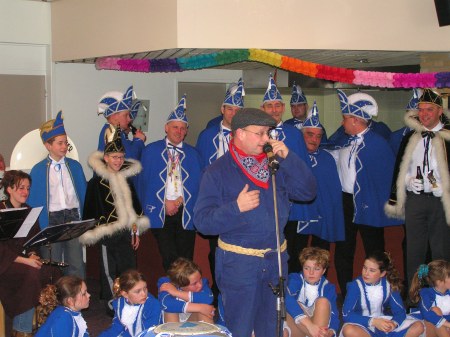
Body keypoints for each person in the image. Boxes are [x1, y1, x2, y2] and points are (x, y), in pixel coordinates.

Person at [194, 108, 317, 337]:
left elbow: (308, 192)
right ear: (240, 133)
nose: (267, 139)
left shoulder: (275, 167)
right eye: (260, 133)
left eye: (268, 133)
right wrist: (235, 208)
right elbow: (202, 222)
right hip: (239, 265)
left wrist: (289, 158)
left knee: (271, 329)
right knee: (239, 328)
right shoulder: (217, 171)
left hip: (275, 262)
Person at [330, 90, 400, 297]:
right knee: (344, 248)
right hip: (346, 201)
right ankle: (346, 292)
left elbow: (386, 178)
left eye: (345, 119)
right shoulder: (343, 140)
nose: (342, 123)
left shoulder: (377, 144)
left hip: (370, 202)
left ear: (354, 120)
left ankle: (379, 293)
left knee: (375, 251)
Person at [385, 89, 450, 289]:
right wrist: (408, 181)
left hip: (441, 202)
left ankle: (441, 293)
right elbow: (400, 168)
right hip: (416, 201)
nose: (424, 114)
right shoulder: (411, 138)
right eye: (421, 110)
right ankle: (417, 293)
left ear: (440, 111)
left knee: (440, 251)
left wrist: (444, 187)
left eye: (429, 110)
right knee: (415, 251)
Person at [81, 127, 149, 303]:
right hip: (108, 235)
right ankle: (113, 304)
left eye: (120, 157)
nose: (118, 161)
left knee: (129, 269)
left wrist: (135, 231)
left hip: (126, 233)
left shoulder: (127, 180)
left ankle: (130, 300)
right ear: (106, 158)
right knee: (109, 272)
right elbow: (91, 209)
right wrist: (96, 231)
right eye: (114, 157)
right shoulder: (96, 183)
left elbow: (133, 209)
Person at [138, 95, 202, 272]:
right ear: (166, 128)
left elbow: (198, 186)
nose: (179, 131)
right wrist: (164, 203)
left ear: (187, 131)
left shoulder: (194, 154)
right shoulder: (151, 151)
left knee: (186, 258)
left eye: (183, 128)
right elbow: (144, 184)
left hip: (185, 212)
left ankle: (185, 295)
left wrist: (179, 202)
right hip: (161, 211)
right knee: (170, 258)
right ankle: (172, 294)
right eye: (175, 127)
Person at [195, 78, 245, 305]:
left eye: (238, 110)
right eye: (230, 109)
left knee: (240, 248)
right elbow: (199, 170)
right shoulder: (207, 136)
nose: (233, 114)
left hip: (241, 201)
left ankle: (237, 290)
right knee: (216, 250)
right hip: (215, 201)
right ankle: (218, 291)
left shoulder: (246, 136)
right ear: (222, 110)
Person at [260, 74, 314, 274]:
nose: (274, 110)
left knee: (292, 249)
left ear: (283, 108)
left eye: (277, 105)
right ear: (262, 109)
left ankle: (291, 292)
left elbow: (303, 169)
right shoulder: (257, 134)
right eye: (269, 106)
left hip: (290, 204)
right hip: (265, 204)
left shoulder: (294, 134)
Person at [0, 170, 61, 337]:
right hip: (4, 263)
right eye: (21, 188)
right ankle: (22, 329)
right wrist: (25, 261)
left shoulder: (28, 210)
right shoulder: (0, 210)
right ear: (9, 189)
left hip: (23, 260)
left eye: (28, 188)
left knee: (53, 271)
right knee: (30, 274)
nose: (25, 192)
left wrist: (33, 253)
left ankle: (46, 325)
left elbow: (35, 239)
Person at [28, 111, 87, 279]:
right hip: (50, 220)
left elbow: (82, 194)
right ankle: (51, 300)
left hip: (73, 218)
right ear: (48, 145)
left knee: (75, 262)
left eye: (65, 143)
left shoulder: (75, 166)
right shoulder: (38, 170)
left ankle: (75, 299)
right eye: (60, 143)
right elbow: (35, 202)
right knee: (51, 263)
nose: (64, 147)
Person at [288, 102, 344, 255]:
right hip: (298, 217)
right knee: (295, 253)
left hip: (321, 215)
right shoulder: (291, 156)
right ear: (302, 135)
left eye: (318, 136)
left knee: (320, 254)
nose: (314, 139)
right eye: (310, 134)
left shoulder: (327, 159)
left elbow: (332, 193)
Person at [341, 251, 424, 337]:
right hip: (362, 324)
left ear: (382, 273)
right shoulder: (356, 285)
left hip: (382, 321)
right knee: (348, 330)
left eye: (372, 270)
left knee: (419, 326)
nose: (366, 273)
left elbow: (400, 311)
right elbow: (346, 314)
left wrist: (394, 323)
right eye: (364, 268)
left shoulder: (389, 285)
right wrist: (373, 321)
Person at [284, 247, 339, 337]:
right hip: (298, 325)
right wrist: (309, 325)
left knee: (323, 302)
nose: (311, 272)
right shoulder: (295, 279)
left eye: (316, 269)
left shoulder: (328, 287)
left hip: (318, 326)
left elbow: (334, 314)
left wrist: (330, 332)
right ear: (302, 268)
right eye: (307, 268)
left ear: (323, 271)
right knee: (290, 304)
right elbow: (286, 298)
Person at [99, 269, 161, 337]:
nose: (144, 294)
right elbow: (117, 327)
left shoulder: (152, 305)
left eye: (145, 288)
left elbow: (149, 333)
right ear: (125, 294)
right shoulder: (120, 303)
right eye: (138, 291)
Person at [158, 257, 214, 324]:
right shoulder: (166, 283)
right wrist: (200, 307)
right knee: (170, 311)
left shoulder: (203, 282)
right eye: (194, 283)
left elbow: (208, 298)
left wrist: (177, 293)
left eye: (200, 279)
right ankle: (174, 334)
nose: (200, 285)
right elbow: (166, 304)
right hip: (173, 324)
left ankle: (209, 334)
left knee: (205, 313)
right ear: (180, 285)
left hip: (191, 320)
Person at [97, 85, 146, 161]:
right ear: (114, 116)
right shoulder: (111, 132)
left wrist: (126, 135)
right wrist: (138, 141)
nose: (129, 119)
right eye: (126, 115)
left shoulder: (115, 131)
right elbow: (128, 160)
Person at [409, 260, 450, 337]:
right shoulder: (426, 293)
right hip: (427, 327)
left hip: (445, 327)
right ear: (439, 281)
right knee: (435, 310)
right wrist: (447, 324)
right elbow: (427, 314)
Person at [388, 89, 421, 156]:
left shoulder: (432, 135)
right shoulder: (396, 137)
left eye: (417, 115)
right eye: (411, 114)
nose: (414, 118)